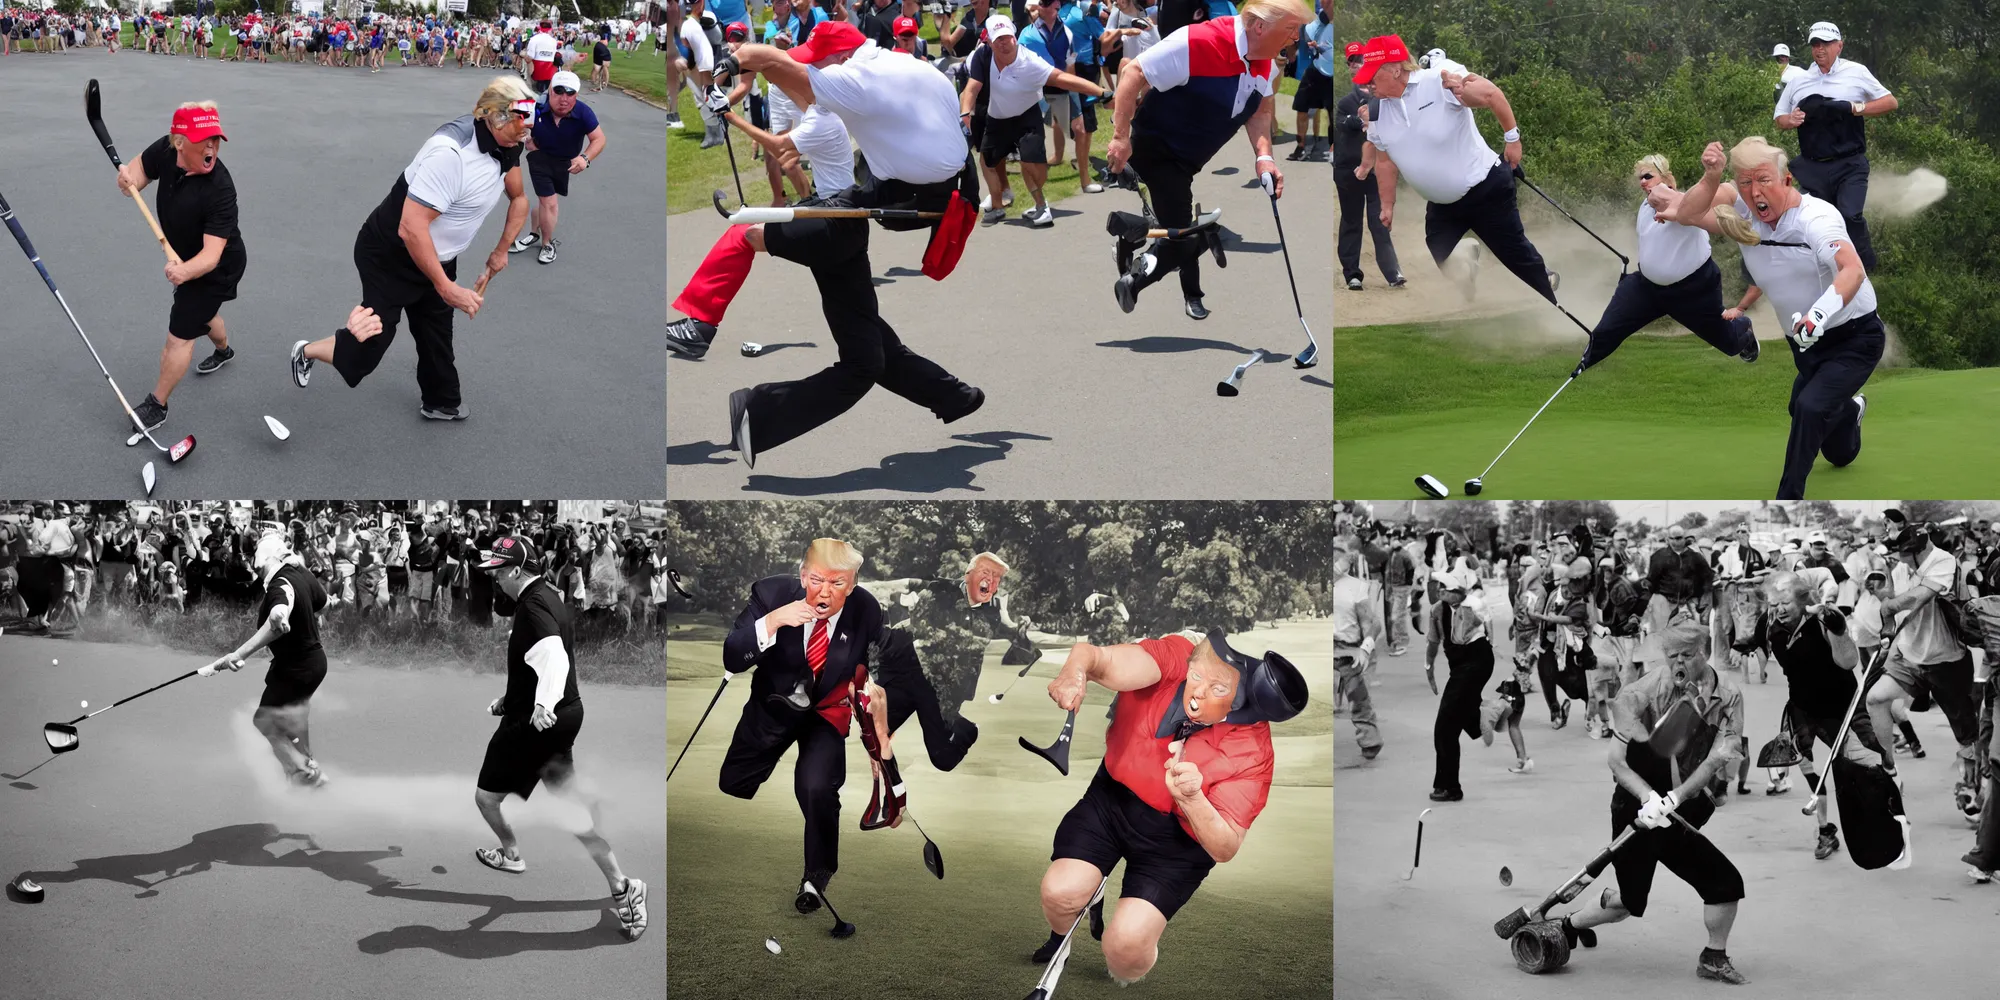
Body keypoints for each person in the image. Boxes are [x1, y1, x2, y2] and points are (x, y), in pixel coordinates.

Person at [666, 21, 984, 467]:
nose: (812, 73)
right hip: (885, 201)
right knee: (865, 356)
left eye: (817, 61)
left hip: (852, 214)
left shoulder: (849, 83)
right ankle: (952, 396)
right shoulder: (912, 66)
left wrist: (733, 62)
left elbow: (774, 65)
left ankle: (699, 326)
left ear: (839, 57)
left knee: (746, 234)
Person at [1031, 627, 1306, 984]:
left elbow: (1225, 846)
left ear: (1242, 701)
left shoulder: (1253, 752)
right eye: (1198, 676)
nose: (1198, 693)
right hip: (1113, 802)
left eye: (1219, 688)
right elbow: (1098, 657)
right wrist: (1075, 672)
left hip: (1178, 846)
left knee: (1125, 952)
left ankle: (1121, 964)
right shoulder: (1176, 656)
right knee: (1061, 893)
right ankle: (1060, 941)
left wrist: (1192, 798)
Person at [291, 77, 532, 422]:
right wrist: (446, 287)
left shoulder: (509, 142)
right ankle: (307, 351)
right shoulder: (450, 155)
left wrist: (501, 250)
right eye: (522, 123)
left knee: (436, 333)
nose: (527, 132)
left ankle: (441, 401)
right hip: (391, 255)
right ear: (495, 116)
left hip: (438, 256)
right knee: (371, 342)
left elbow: (519, 198)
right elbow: (410, 228)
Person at [1661, 137, 1880, 499]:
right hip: (1806, 345)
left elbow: (1852, 270)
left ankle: (1788, 497)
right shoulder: (1744, 213)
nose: (1754, 191)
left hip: (1854, 337)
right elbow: (1687, 214)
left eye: (1763, 180)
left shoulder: (1817, 218)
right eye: (1745, 182)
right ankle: (1849, 410)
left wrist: (1819, 315)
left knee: (1810, 408)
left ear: (1787, 180)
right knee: (1813, 421)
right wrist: (1712, 177)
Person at [469, 534, 648, 941]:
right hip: (562, 715)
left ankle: (512, 854)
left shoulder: (532, 606)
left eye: (498, 572)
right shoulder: (548, 593)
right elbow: (535, 662)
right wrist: (510, 698)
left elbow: (552, 653)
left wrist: (541, 704)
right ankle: (624, 888)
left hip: (539, 722)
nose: (495, 579)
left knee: (485, 797)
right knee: (572, 812)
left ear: (515, 571)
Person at [1559, 620, 1749, 984]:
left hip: (1681, 810)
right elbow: (1616, 760)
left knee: (1724, 883)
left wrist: (1676, 798)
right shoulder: (1644, 691)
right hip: (1636, 806)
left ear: (1705, 651)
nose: (1679, 663)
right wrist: (1649, 797)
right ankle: (1570, 924)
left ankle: (1713, 957)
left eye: (1688, 655)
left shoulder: (1728, 694)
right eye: (1672, 655)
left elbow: (1719, 756)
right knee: (1631, 902)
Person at [1106, 0, 1310, 320]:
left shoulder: (1265, 63)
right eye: (1290, 29)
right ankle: (1133, 280)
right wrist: (1120, 136)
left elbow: (1260, 113)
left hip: (1187, 161)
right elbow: (1133, 72)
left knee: (1184, 233)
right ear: (1260, 27)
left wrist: (1265, 157)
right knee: (1181, 240)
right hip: (1159, 150)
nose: (1295, 38)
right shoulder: (1198, 41)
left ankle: (1140, 232)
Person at [717, 538, 887, 913]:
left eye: (837, 583)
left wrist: (879, 740)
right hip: (773, 708)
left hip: (825, 712)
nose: (824, 591)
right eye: (815, 579)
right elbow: (732, 654)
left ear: (853, 584)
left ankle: (816, 876)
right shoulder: (771, 592)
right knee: (732, 782)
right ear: (801, 574)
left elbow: (877, 674)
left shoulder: (866, 611)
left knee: (816, 787)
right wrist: (776, 619)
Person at [1355, 34, 1561, 303]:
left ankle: (1554, 296)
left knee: (1513, 253)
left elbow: (1490, 94)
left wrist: (1512, 138)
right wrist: (1387, 205)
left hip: (1485, 188)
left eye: (1373, 75)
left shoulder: (1439, 80)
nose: (1368, 83)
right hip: (1443, 205)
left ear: (1396, 69)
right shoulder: (1378, 112)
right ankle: (1468, 266)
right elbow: (1384, 161)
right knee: (1440, 251)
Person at [114, 102, 247, 434]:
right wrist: (126, 179)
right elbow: (137, 174)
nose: (211, 147)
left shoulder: (220, 188)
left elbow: (212, 256)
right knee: (201, 316)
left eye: (215, 139)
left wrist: (184, 272)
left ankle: (157, 405)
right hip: (186, 257)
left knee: (179, 336)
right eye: (204, 140)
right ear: (179, 142)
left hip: (216, 266)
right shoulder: (165, 149)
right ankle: (223, 350)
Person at [1577, 154, 1760, 371]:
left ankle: (1743, 330)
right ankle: (1582, 366)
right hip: (1646, 288)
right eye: (1640, 178)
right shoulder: (1645, 207)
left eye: (1648, 176)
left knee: (1729, 343)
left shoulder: (1687, 204)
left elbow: (1720, 204)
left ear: (1666, 179)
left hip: (1693, 291)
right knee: (1606, 332)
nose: (1642, 182)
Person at [1761, 570, 1890, 860]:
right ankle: (1825, 831)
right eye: (1773, 603)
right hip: (1803, 708)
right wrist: (1744, 646)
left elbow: (1848, 662)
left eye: (1785, 603)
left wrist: (1838, 628)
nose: (1778, 610)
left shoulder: (1823, 623)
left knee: (1866, 769)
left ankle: (1887, 820)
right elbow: (1765, 643)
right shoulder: (1773, 625)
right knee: (1808, 769)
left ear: (1803, 601)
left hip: (1841, 709)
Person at [1865, 514, 1981, 820]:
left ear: (1919, 548)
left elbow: (1917, 597)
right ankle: (1889, 770)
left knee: (1967, 735)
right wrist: (1883, 600)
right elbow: (1893, 603)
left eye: (1904, 554)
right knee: (1875, 699)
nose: (1901, 560)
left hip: (1947, 661)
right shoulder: (1903, 567)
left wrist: (1891, 605)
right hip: (1910, 657)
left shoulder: (1943, 563)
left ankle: (1969, 788)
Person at [196, 530, 332, 787]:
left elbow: (281, 608)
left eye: (257, 550)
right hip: (313, 663)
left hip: (297, 667)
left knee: (264, 719)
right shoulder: (299, 573)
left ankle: (301, 772)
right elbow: (323, 603)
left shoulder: (281, 583)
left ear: (270, 554)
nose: (252, 556)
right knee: (295, 716)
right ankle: (308, 765)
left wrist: (238, 653)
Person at [962, 15, 1112, 227]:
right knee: (988, 161)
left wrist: (1100, 91)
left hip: (1026, 115)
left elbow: (1061, 78)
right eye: (998, 39)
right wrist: (965, 113)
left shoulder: (1029, 61)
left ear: (1015, 36)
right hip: (997, 117)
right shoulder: (982, 55)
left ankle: (1040, 204)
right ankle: (997, 206)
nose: (1004, 44)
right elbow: (972, 87)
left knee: (1033, 165)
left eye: (1008, 37)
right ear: (989, 42)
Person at [1774, 21, 1895, 272]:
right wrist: (1791, 120)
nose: (1820, 50)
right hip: (1813, 166)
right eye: (1816, 45)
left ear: (1839, 45)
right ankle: (1821, 268)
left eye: (1826, 44)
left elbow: (1890, 102)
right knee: (1809, 221)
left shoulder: (1856, 72)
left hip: (1850, 162)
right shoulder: (1799, 80)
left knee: (1849, 214)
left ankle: (1864, 268)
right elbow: (1779, 118)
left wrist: (1856, 107)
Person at [508, 71, 606, 266]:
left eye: (570, 93)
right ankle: (547, 244)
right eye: (559, 91)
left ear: (576, 95)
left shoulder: (584, 112)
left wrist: (585, 158)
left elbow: (599, 139)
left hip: (566, 163)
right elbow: (508, 123)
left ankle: (534, 234)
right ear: (550, 91)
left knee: (545, 202)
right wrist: (525, 136)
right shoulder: (535, 107)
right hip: (540, 159)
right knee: (549, 203)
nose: (564, 98)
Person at [1425, 570, 1497, 802]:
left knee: (1444, 726)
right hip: (1458, 666)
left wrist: (1491, 644)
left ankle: (1448, 786)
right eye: (1440, 590)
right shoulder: (1437, 610)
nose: (1440, 592)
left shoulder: (1473, 604)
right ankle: (1493, 713)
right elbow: (1433, 641)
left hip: (1477, 661)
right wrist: (1429, 668)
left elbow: (1488, 627)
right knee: (1454, 721)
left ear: (1458, 592)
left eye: (1445, 590)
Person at [1335, 41, 1399, 291]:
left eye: (1360, 59)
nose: (1356, 64)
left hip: (1376, 171)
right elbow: (1342, 124)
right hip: (1348, 170)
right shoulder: (1345, 101)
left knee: (1379, 220)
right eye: (1352, 61)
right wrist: (1359, 121)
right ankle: (1352, 274)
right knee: (1352, 221)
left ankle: (1393, 273)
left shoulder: (1383, 98)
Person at [1331, 552, 1383, 759]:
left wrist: (1365, 648)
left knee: (1357, 695)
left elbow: (1371, 622)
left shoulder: (1356, 587)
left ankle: (1370, 739)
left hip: (1348, 648)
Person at [1288, 1, 1332, 160]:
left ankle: (1333, 148)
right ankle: (1301, 146)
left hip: (1332, 72)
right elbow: (1298, 38)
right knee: (1302, 107)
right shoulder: (1315, 21)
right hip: (1314, 69)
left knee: (1332, 112)